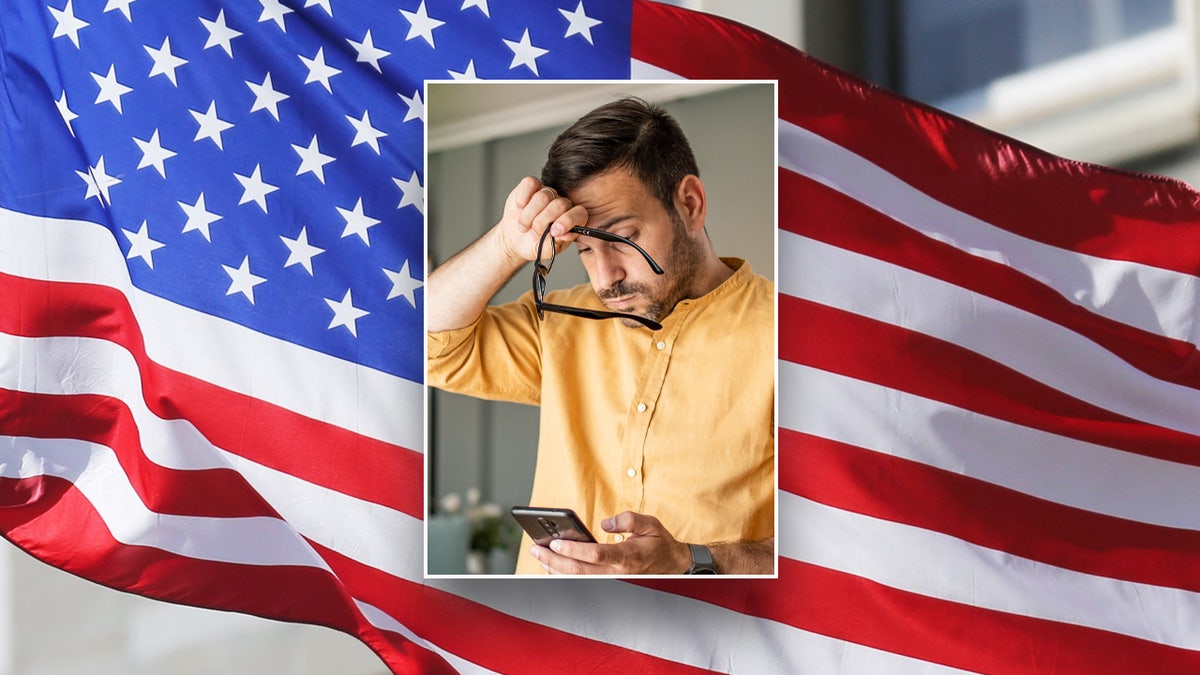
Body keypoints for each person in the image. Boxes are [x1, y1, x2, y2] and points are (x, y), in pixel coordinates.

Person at [426, 96, 774, 575]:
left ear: (690, 204)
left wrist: (693, 561)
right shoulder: (561, 321)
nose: (605, 278)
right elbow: (425, 346)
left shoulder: (793, 339)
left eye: (622, 239)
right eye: (586, 250)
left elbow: (838, 544)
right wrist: (508, 244)